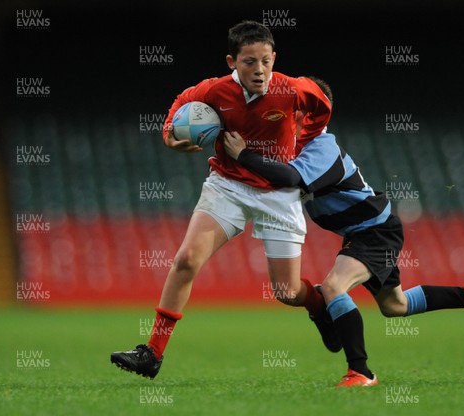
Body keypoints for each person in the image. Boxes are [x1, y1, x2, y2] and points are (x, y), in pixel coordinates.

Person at [223, 76, 464, 387]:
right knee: (395, 305)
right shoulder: (293, 149)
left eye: (292, 107)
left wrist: (245, 156)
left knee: (334, 286)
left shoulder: (322, 148)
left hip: (374, 231)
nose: (282, 112)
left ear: (309, 114)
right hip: (366, 231)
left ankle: (361, 372)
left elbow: (291, 179)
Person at [110, 21, 332, 379]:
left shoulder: (292, 90)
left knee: (287, 292)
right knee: (185, 260)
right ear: (232, 61)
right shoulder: (214, 91)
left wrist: (306, 145)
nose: (259, 70)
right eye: (248, 62)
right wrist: (170, 136)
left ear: (274, 58)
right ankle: (152, 353)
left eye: (265, 61)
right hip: (228, 185)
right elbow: (180, 106)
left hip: (277, 192)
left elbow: (322, 106)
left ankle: (319, 307)